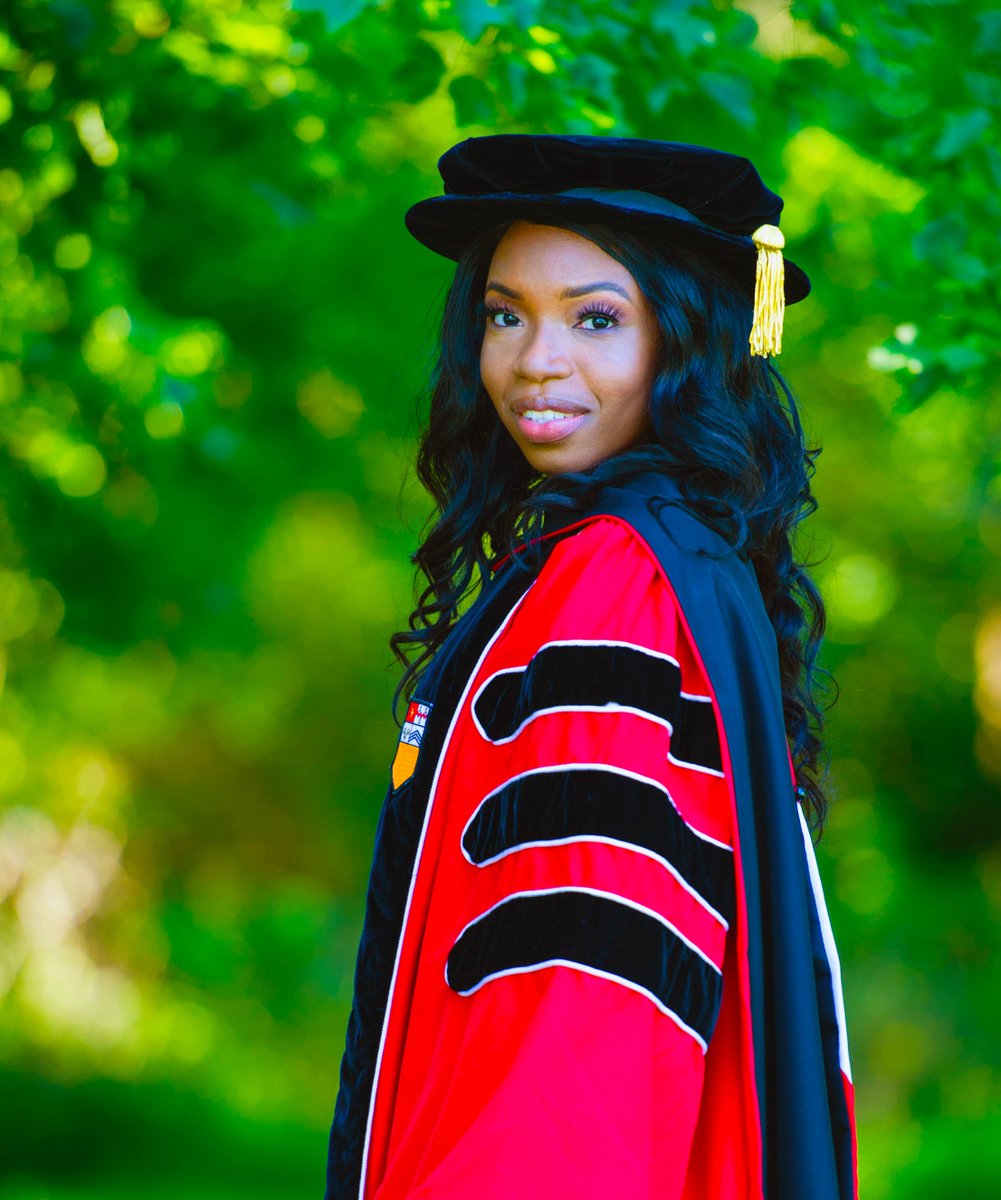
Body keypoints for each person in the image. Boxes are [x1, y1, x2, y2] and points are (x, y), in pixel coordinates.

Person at [327, 134, 856, 1200]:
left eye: (597, 318)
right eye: (505, 312)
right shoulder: (675, 560)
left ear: (685, 343)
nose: (534, 360)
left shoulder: (614, 581)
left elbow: (579, 1003)